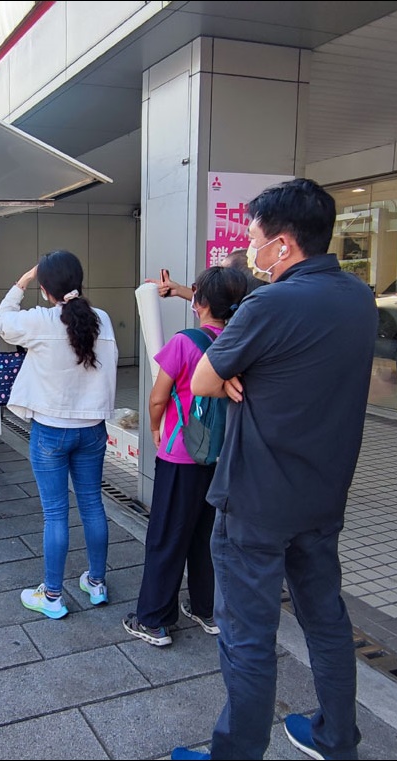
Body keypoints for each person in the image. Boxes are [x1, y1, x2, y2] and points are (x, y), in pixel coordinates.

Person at [172, 179, 378, 761]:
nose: (250, 253)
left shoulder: (271, 303)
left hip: (257, 501)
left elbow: (206, 378)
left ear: (284, 246)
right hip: (322, 496)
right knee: (326, 621)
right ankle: (338, 739)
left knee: (248, 639)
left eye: (256, 241)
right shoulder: (359, 299)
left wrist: (235, 373)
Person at [124, 266, 247, 647]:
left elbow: (158, 396)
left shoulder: (184, 342)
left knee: (166, 535)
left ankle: (154, 620)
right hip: (222, 455)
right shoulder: (242, 342)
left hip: (181, 455)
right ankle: (207, 610)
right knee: (206, 534)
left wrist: (155, 428)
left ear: (200, 303)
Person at [0, 250, 119, 619]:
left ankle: (51, 596)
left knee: (55, 514)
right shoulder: (104, 321)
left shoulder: (41, 320)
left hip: (50, 433)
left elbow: (1, 322)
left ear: (46, 288)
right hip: (92, 431)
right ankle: (96, 584)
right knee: (93, 505)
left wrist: (21, 282)